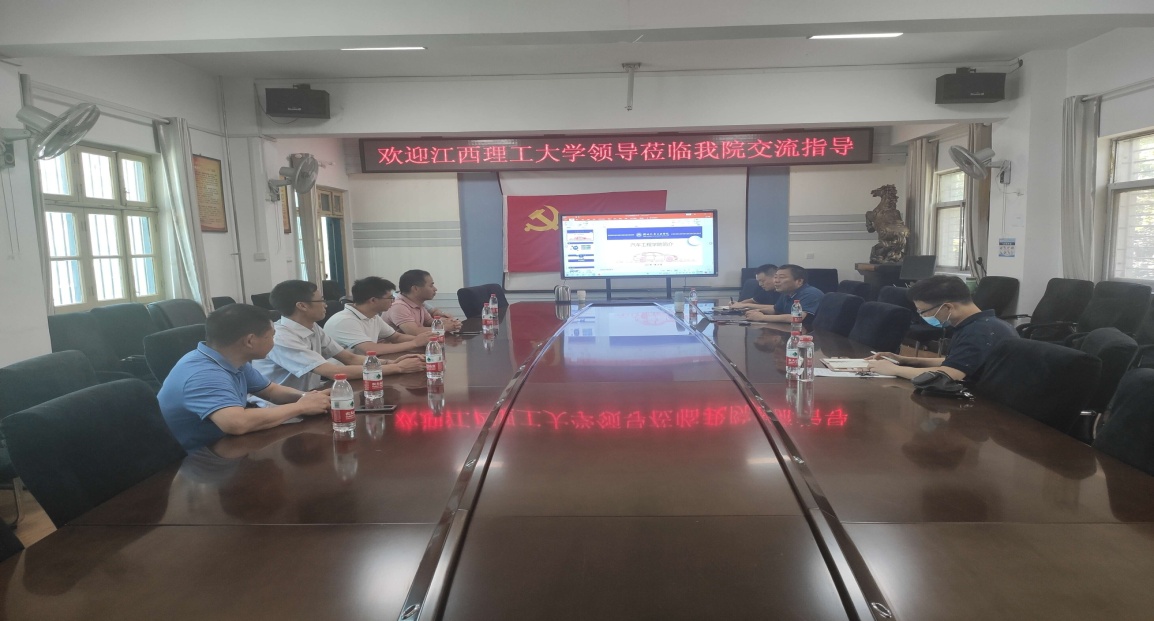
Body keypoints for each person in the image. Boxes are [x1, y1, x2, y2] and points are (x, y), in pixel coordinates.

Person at [158, 303, 332, 451]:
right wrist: (300, 407)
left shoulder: (232, 359)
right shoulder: (203, 374)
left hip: (225, 446)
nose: (274, 342)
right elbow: (237, 423)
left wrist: (309, 397)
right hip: (198, 461)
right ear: (250, 341)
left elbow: (270, 390)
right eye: (272, 336)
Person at [254, 279, 425, 392]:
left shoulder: (313, 328)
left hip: (311, 397)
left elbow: (349, 358)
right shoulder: (281, 337)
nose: (326, 305)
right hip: (281, 409)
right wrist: (398, 368)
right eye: (320, 300)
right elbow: (334, 372)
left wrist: (392, 362)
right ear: (302, 306)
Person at [866, 275, 1018, 380]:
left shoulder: (978, 332)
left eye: (923, 311)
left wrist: (894, 370)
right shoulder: (982, 323)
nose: (922, 316)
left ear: (947, 307)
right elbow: (955, 362)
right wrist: (903, 360)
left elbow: (950, 373)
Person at [324, 276, 432, 354]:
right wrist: (415, 343)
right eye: (390, 298)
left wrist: (425, 339)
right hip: (342, 373)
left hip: (366, 366)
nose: (393, 301)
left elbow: (396, 337)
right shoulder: (345, 320)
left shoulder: (373, 317)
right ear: (373, 300)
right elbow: (371, 349)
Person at [386, 269, 463, 335]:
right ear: (415, 288)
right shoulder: (398, 306)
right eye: (431, 286)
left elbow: (430, 322)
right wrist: (445, 327)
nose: (435, 289)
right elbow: (414, 332)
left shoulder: (419, 304)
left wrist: (450, 322)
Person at [743, 264, 825, 323]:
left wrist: (762, 317)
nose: (776, 281)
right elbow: (776, 309)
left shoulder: (810, 293)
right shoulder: (787, 293)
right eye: (775, 277)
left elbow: (797, 317)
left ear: (799, 281)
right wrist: (758, 310)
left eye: (781, 277)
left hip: (811, 335)